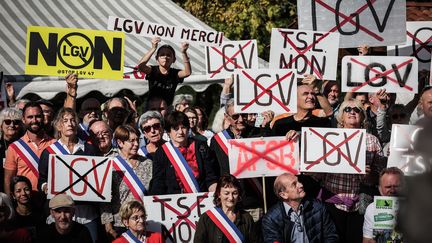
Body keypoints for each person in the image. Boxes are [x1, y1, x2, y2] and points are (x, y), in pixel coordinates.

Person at [319, 99, 385, 243]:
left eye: (357, 110)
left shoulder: (372, 141)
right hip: (332, 202)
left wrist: (369, 175)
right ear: (341, 117)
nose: (352, 112)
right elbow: (318, 174)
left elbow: (380, 178)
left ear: (363, 117)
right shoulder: (328, 139)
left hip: (360, 206)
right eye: (347, 109)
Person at [37, 108, 99, 242]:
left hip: (86, 215)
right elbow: (41, 179)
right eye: (65, 121)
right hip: (59, 215)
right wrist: (45, 187)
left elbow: (98, 177)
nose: (70, 123)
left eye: (72, 120)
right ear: (58, 126)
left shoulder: (89, 149)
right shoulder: (49, 152)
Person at [101, 125, 153, 240]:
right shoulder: (110, 165)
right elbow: (105, 199)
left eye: (137, 140)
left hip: (143, 222)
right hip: (120, 224)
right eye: (131, 141)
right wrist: (108, 225)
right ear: (120, 143)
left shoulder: (147, 163)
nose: (136, 144)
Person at [150, 111, 218, 195]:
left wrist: (214, 195)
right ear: (168, 131)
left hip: (201, 200)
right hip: (173, 202)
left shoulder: (201, 147)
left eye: (183, 127)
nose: (180, 132)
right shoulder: (161, 153)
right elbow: (158, 183)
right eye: (176, 129)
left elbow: (211, 178)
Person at [262, 173, 338, 243]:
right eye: (294, 184)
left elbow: (331, 236)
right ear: (283, 195)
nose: (301, 185)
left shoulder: (318, 207)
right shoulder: (271, 219)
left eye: (298, 181)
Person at [4, 102, 55, 195]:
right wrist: (10, 205)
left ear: (43, 118)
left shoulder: (55, 144)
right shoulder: (14, 148)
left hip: (50, 201)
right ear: (23, 119)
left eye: (38, 116)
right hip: (25, 202)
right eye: (30, 117)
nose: (34, 120)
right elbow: (8, 180)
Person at [194, 174, 259, 243]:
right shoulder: (206, 218)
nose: (231, 198)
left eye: (234, 193)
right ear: (219, 194)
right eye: (226, 193)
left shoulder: (246, 218)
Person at [138, 37, 191, 105]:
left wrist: (184, 53)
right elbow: (141, 66)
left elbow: (187, 72)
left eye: (168, 55)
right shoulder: (153, 70)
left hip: (167, 109)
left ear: (174, 59)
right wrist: (153, 48)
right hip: (151, 107)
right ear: (157, 59)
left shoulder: (175, 73)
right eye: (162, 55)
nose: (165, 57)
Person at [363, 167, 404, 243]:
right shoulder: (371, 208)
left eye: (396, 186)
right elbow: (366, 239)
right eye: (388, 187)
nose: (392, 190)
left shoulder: (417, 207)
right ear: (380, 189)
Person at [10, 176, 44, 241]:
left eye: (26, 189)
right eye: (18, 191)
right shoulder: (11, 217)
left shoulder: (41, 214)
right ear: (13, 195)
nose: (23, 193)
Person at [0, 108, 23, 192]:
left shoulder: (24, 145)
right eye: (7, 121)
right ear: (1, 125)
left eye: (16, 122)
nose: (12, 125)